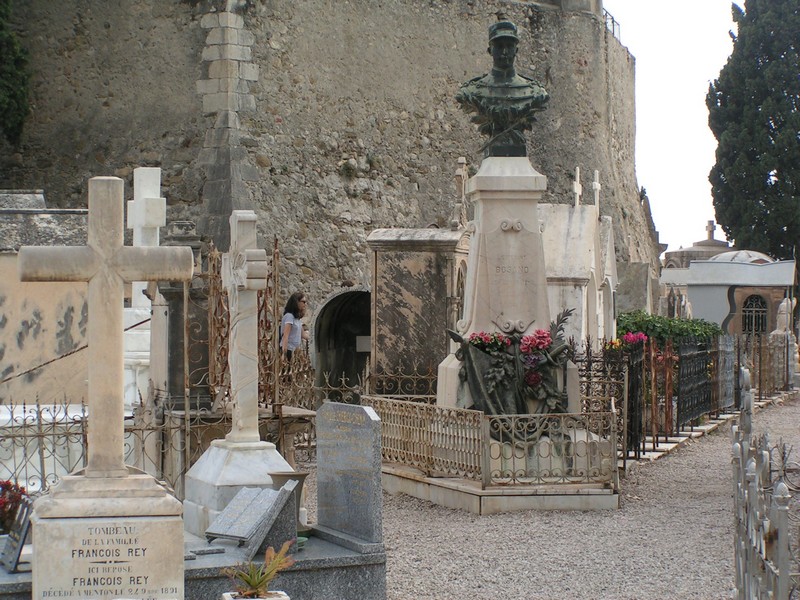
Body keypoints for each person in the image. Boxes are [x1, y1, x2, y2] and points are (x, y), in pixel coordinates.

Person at [455, 15, 549, 156]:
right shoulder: (472, 91)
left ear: (516, 50)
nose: (504, 52)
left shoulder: (535, 91)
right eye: (499, 46)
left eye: (509, 46)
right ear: (490, 51)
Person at [281, 292, 309, 360]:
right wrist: (284, 353)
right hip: (288, 350)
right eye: (303, 302)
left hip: (295, 351)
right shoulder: (289, 317)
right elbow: (285, 335)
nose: (305, 304)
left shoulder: (297, 319)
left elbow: (303, 335)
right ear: (297, 302)